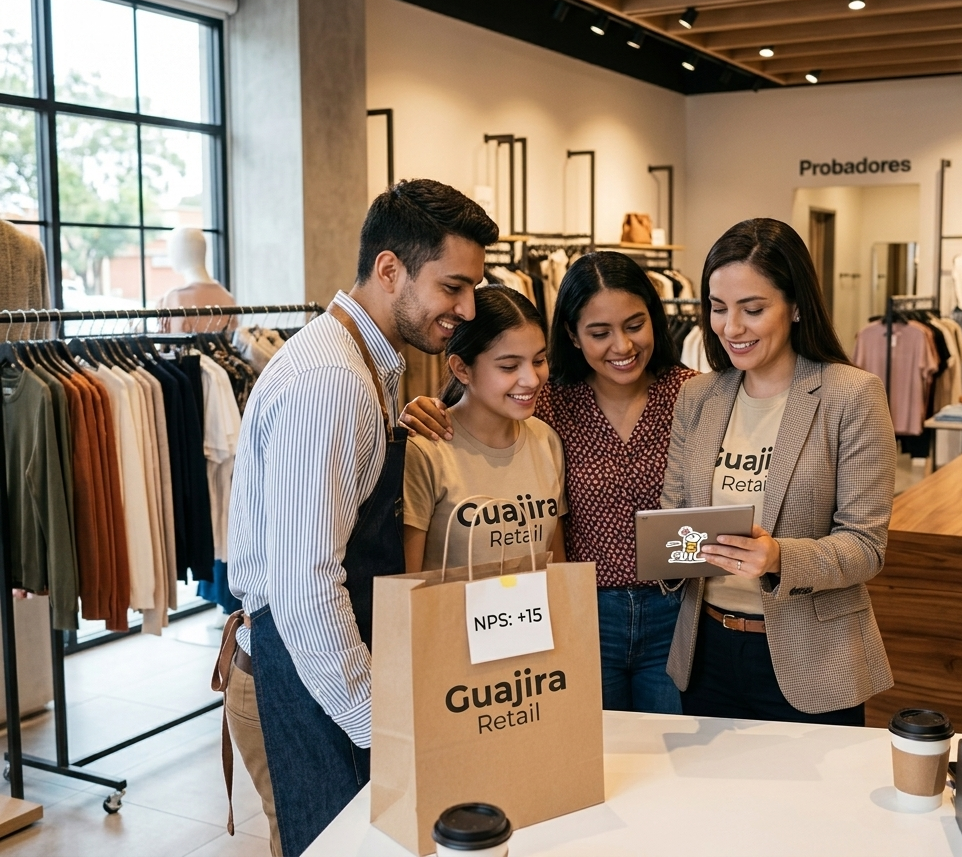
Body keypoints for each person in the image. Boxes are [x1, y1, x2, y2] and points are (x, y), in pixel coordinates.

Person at [223, 180, 497, 857]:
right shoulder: (331, 380)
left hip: (325, 672)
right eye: (453, 287)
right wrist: (380, 724)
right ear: (389, 270)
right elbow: (305, 587)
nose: (466, 310)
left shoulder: (367, 363)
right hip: (309, 682)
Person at [401, 252, 695, 713]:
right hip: (576, 612)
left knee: (668, 755)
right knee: (589, 753)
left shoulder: (693, 395)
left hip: (672, 607)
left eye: (635, 324)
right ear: (574, 337)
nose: (621, 345)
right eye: (599, 333)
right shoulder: (550, 403)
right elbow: (482, 410)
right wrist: (421, 410)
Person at [661, 218, 895, 724]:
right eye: (718, 309)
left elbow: (865, 546)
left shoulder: (850, 395)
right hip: (707, 654)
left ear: (795, 306)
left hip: (814, 658)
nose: (731, 328)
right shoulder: (698, 396)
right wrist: (670, 551)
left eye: (753, 309)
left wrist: (777, 557)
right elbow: (674, 516)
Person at [403, 285, 567, 572]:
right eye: (508, 366)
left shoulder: (547, 440)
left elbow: (555, 568)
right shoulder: (426, 449)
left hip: (532, 616)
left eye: (539, 360)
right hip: (452, 616)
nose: (531, 379)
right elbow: (408, 582)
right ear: (462, 369)